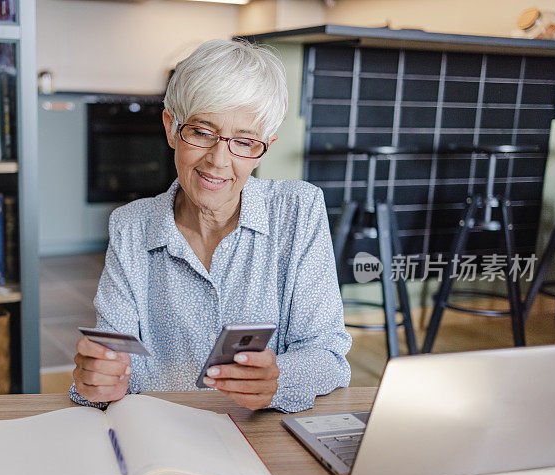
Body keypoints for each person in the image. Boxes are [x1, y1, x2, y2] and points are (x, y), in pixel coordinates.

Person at [70, 39, 351, 413]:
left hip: (260, 438)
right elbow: (115, 355)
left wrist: (279, 377)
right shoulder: (132, 227)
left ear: (265, 146)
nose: (219, 160)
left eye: (244, 142)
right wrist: (100, 379)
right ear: (171, 127)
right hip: (158, 438)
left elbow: (327, 354)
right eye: (202, 132)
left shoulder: (297, 210)